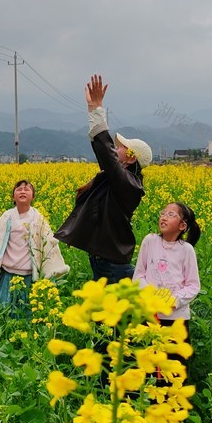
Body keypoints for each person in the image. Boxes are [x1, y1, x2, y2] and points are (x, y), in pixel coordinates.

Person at [54, 75, 151, 282]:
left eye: (121, 147)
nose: (116, 149)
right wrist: (92, 109)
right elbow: (104, 153)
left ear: (131, 158)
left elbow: (106, 153)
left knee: (117, 314)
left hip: (113, 265)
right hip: (106, 261)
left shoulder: (129, 185)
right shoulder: (120, 179)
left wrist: (97, 109)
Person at [0, 180, 70, 313]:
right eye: (18, 189)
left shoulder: (38, 218)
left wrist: (50, 274)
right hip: (7, 275)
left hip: (29, 276)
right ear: (13, 196)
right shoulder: (7, 217)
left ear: (33, 197)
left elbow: (49, 245)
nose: (22, 191)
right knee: (3, 311)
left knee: (26, 314)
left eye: (27, 189)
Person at [133, 201, 202, 356]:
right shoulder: (149, 241)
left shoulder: (186, 250)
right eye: (163, 213)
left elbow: (193, 285)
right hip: (150, 315)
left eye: (171, 215)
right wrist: (151, 296)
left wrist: (173, 300)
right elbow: (138, 275)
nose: (164, 217)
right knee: (149, 362)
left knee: (175, 365)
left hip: (176, 319)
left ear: (182, 226)